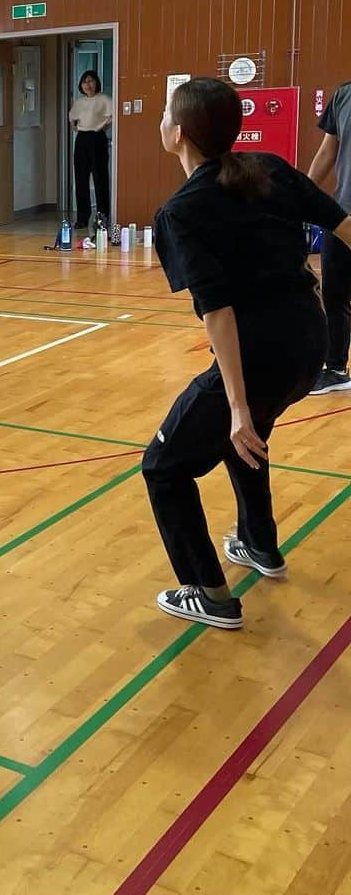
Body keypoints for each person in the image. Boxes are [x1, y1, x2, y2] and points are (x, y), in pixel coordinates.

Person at [144, 78, 351, 631]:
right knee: (250, 437)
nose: (161, 122)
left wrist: (235, 405)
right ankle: (260, 545)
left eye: (165, 115)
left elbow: (219, 314)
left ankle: (209, 594)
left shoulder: (182, 212)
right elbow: (343, 224)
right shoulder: (270, 167)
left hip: (262, 353)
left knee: (163, 468)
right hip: (311, 342)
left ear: (179, 133)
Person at [307, 80, 351, 394]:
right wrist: (302, 194)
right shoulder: (343, 94)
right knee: (334, 295)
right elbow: (327, 151)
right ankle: (336, 369)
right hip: (343, 215)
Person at [70, 71, 113, 229]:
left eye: (91, 81)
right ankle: (82, 217)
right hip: (81, 138)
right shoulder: (79, 102)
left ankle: (103, 216)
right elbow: (72, 119)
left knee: (100, 177)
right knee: (81, 179)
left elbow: (113, 115)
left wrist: (103, 127)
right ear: (81, 85)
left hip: (97, 138)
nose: (88, 84)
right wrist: (75, 127)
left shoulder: (104, 99)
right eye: (84, 81)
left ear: (96, 83)